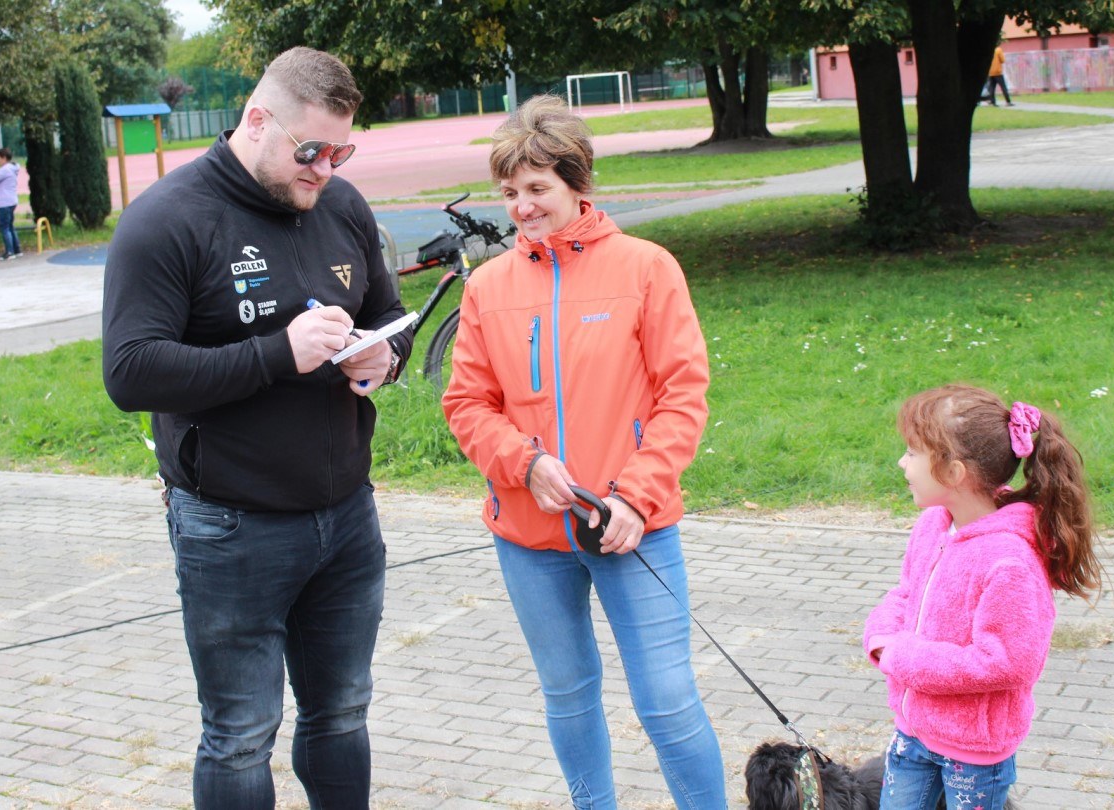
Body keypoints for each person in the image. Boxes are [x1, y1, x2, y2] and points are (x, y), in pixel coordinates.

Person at [102, 47, 410, 810]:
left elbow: (387, 317)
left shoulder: (341, 205)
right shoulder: (168, 221)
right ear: (256, 121)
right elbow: (131, 372)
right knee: (241, 733)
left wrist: (384, 356)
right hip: (231, 526)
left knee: (342, 712)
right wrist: (277, 354)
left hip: (345, 514)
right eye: (311, 151)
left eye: (342, 151)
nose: (326, 169)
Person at [442, 95, 726, 810]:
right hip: (529, 537)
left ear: (578, 183)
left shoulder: (647, 269)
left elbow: (682, 394)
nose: (522, 208)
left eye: (537, 188)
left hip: (634, 531)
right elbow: (467, 405)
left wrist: (637, 495)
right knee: (568, 697)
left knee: (665, 703)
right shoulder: (488, 287)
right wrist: (524, 464)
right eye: (510, 193)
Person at [864, 384, 1103, 809]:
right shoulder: (933, 525)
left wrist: (905, 658)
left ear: (953, 472)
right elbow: (905, 593)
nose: (902, 462)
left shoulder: (1009, 560)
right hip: (913, 731)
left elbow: (1006, 662)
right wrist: (882, 638)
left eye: (913, 452)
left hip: (973, 753)